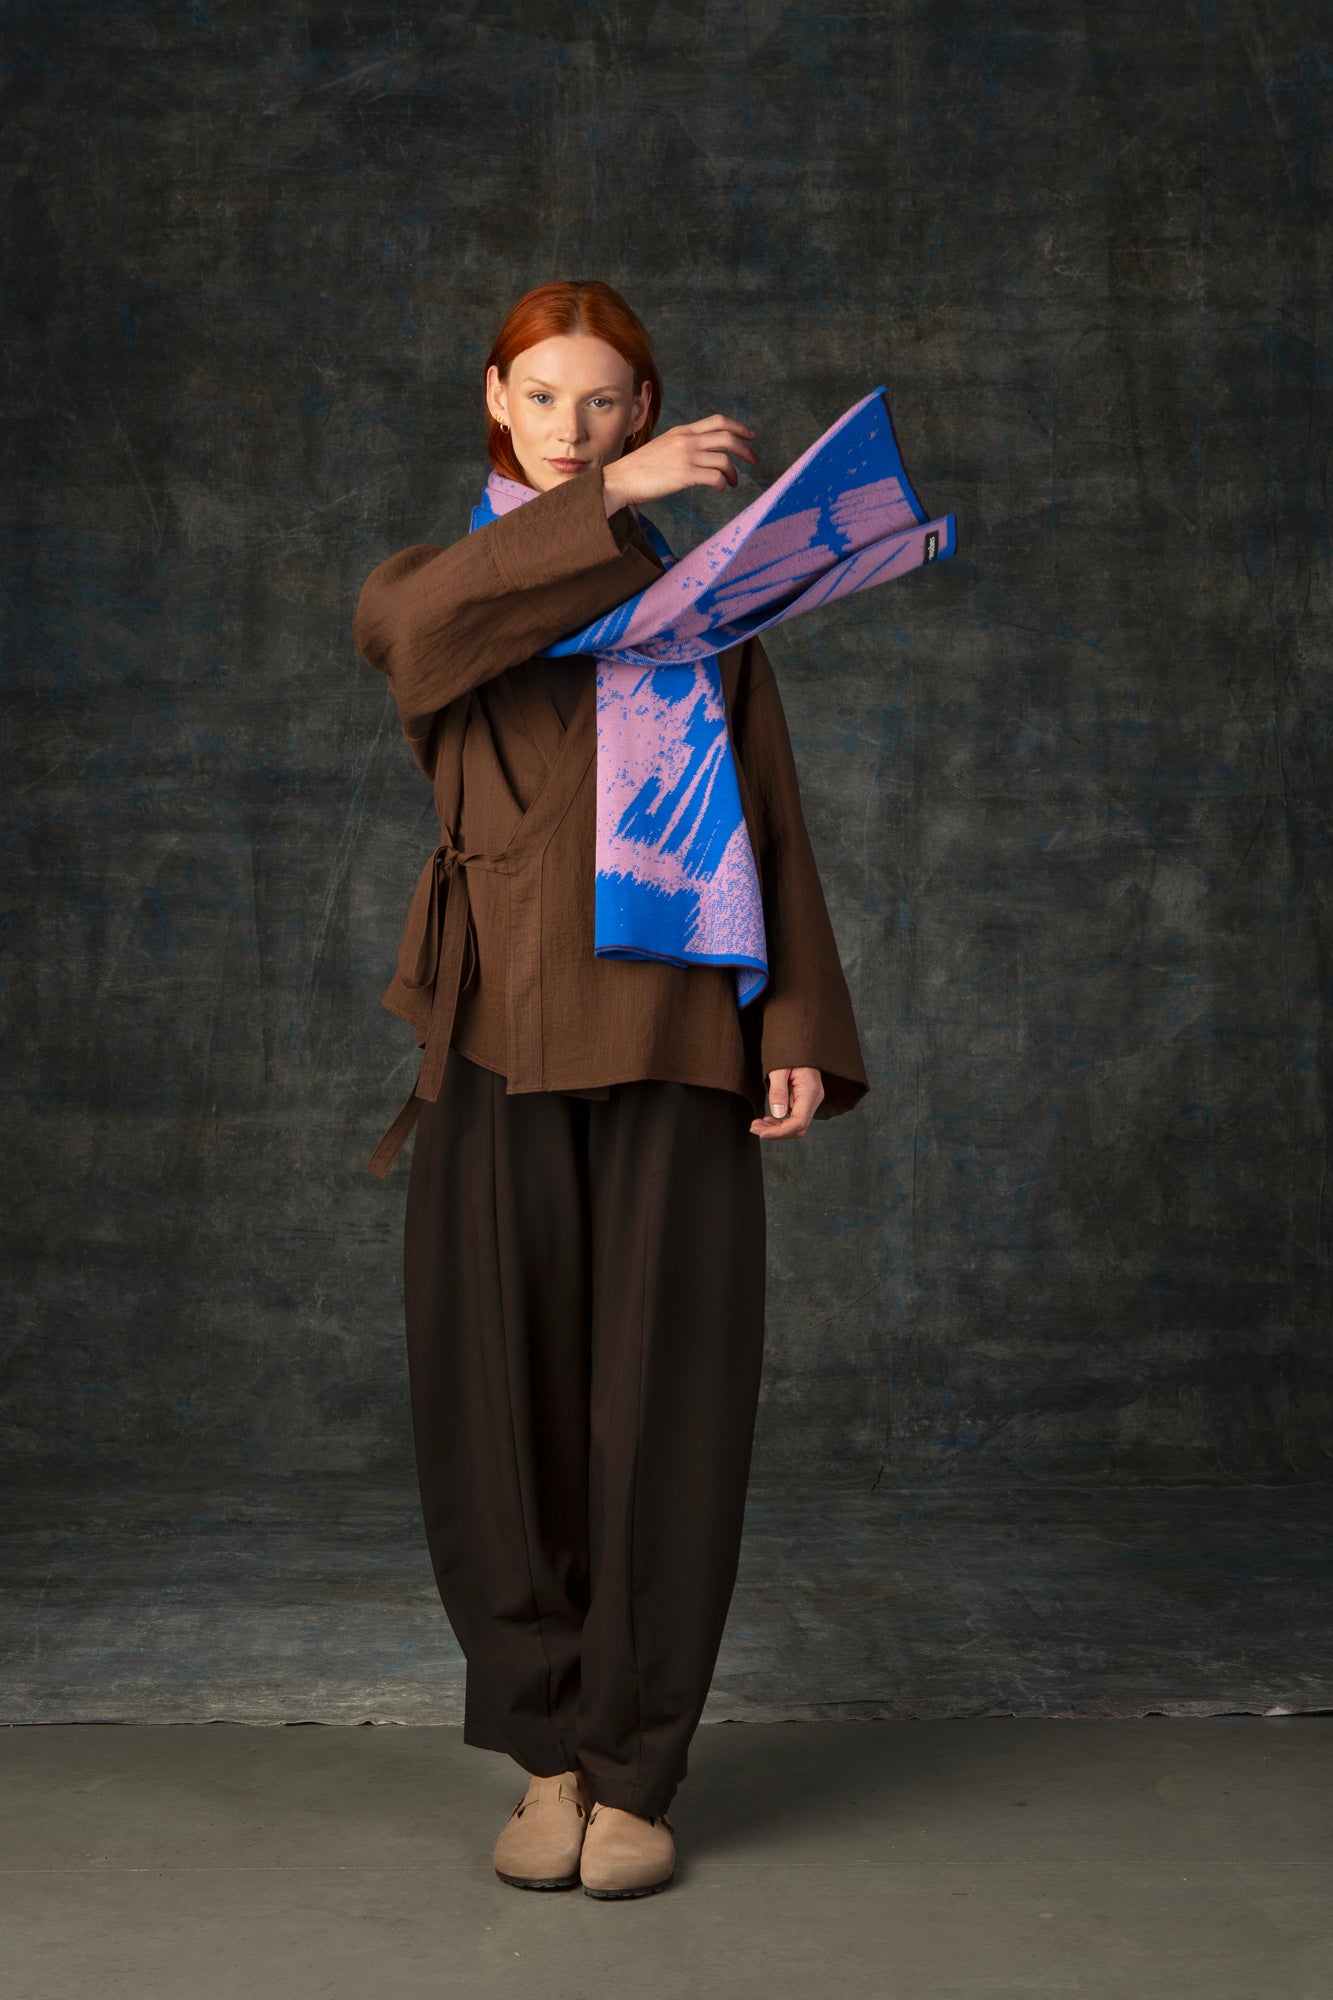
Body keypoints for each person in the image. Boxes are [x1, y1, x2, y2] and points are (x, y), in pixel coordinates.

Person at [352, 279, 869, 1899]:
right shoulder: (434, 588)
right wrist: (609, 504)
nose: (572, 429)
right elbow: (420, 644)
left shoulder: (707, 607)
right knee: (496, 1404)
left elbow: (766, 815)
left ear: (642, 408)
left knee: (668, 1403)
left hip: (677, 1030)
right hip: (496, 1034)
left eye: (604, 404)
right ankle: (549, 1759)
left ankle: (637, 1767)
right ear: (492, 402)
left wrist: (792, 1022)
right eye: (541, 398)